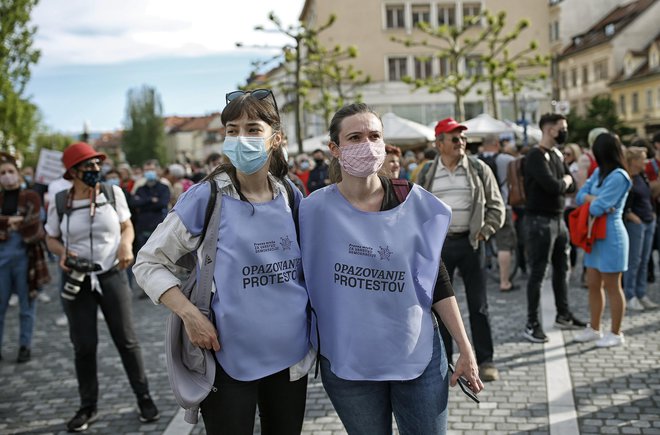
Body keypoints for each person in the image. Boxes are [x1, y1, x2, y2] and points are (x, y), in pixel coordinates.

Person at [133, 89, 311, 435]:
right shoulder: (207, 197)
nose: (240, 138)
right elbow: (148, 263)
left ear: (276, 139)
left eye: (252, 129)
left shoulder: (290, 196)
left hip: (290, 357)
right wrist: (189, 315)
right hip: (228, 360)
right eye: (232, 130)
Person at [299, 103, 483, 434]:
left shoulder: (412, 202)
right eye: (354, 137)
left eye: (374, 136)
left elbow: (436, 280)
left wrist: (466, 347)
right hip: (347, 362)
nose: (366, 145)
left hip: (416, 356)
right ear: (335, 148)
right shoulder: (313, 210)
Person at [45, 142, 159, 432]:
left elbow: (127, 225)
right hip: (77, 279)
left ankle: (144, 398)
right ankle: (88, 406)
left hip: (111, 275)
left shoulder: (112, 193)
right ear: (73, 172)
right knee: (84, 346)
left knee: (127, 341)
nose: (96, 170)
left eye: (98, 164)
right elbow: (51, 237)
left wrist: (125, 245)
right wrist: (62, 253)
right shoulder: (60, 201)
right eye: (89, 166)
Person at [421, 117, 504, 382]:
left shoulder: (479, 169)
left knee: (479, 304)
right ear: (439, 143)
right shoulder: (426, 173)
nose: (461, 143)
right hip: (439, 247)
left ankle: (486, 360)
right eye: (455, 139)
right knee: (439, 306)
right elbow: (418, 209)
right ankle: (443, 362)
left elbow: (496, 206)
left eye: (463, 138)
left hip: (471, 243)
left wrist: (484, 231)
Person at [522, 113, 586, 343]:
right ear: (550, 130)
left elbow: (569, 185)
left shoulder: (556, 153)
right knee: (538, 273)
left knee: (563, 268)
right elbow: (554, 185)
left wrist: (565, 183)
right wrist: (565, 183)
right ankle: (532, 323)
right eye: (562, 127)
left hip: (558, 220)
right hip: (539, 221)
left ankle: (564, 313)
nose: (564, 131)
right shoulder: (535, 156)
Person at [574, 133, 632, 347]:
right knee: (593, 284)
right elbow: (581, 196)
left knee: (612, 286)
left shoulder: (619, 176)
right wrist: (595, 200)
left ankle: (616, 332)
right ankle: (595, 327)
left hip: (611, 237)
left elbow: (596, 206)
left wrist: (593, 201)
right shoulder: (600, 172)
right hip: (594, 235)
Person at [0, 154, 49, 363]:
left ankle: (24, 345)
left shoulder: (31, 196)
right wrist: (12, 222)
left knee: (26, 305)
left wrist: (5, 223)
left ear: (18, 174)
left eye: (10, 172)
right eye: (2, 173)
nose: (7, 176)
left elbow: (34, 225)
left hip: (26, 257)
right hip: (2, 259)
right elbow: (24, 223)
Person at [479, 134, 517, 292]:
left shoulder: (474, 161)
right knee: (504, 244)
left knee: (478, 242)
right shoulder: (507, 160)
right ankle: (504, 281)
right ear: (496, 144)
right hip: (501, 206)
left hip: (480, 208)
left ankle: (478, 278)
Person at [622, 146, 658, 311]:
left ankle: (641, 293)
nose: (645, 162)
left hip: (648, 221)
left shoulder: (641, 176)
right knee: (634, 261)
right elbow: (622, 203)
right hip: (636, 224)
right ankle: (630, 295)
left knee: (644, 260)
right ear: (634, 161)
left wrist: (651, 213)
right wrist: (631, 216)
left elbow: (648, 196)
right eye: (642, 158)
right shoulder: (627, 178)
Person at [563, 143, 583, 269]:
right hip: (566, 205)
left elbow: (574, 189)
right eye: (564, 153)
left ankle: (572, 263)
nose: (565, 156)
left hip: (573, 206)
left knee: (571, 237)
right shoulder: (566, 167)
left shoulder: (576, 169)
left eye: (568, 154)